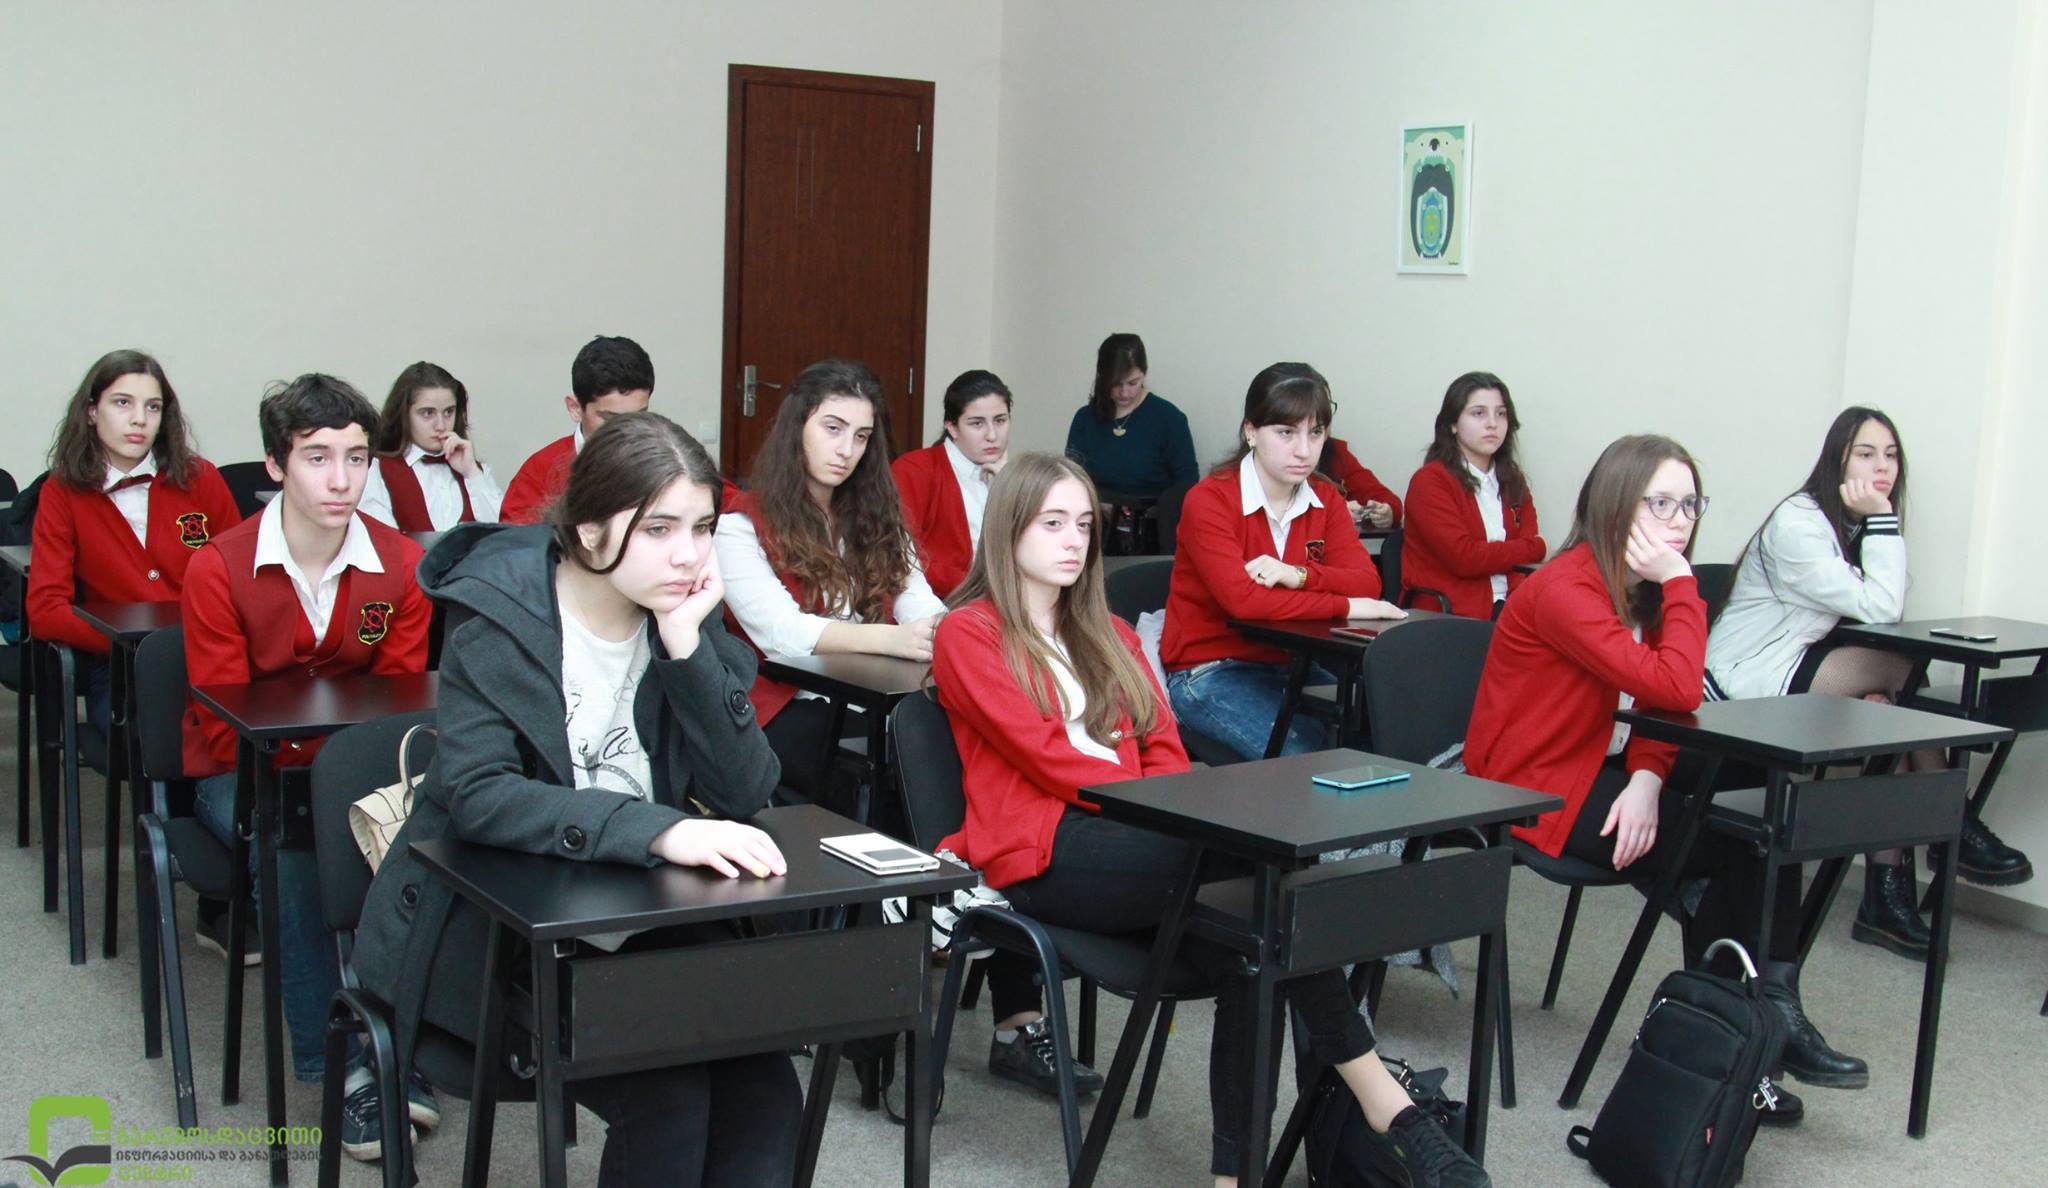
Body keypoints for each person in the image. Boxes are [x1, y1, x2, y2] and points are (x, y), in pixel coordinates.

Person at [934, 451, 1489, 1187]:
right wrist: (1164, 811)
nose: (1075, 541)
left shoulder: (1113, 634)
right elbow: (1047, 759)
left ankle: (1238, 1179)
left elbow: (1163, 746)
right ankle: (1391, 1106)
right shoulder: (969, 633)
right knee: (1256, 874)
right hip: (1044, 853)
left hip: (1144, 841)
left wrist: (1167, 810)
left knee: (1253, 942)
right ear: (1009, 531)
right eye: (1053, 524)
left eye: (1084, 526)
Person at [353, 413, 799, 1187]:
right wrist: (658, 831)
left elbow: (746, 788)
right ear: (590, 532)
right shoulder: (500, 616)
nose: (689, 554)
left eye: (702, 528)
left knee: (766, 1096)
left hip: (645, 916)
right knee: (669, 1099)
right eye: (659, 528)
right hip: (509, 936)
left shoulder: (679, 613)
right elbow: (480, 795)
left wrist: (687, 646)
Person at [1464, 434, 1862, 1115]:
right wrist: (1682, 582)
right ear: (1616, 504)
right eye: (1660, 503)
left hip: (1608, 758)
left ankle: (1762, 1014)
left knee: (1767, 793)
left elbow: (1663, 705)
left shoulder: (1639, 588)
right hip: (1537, 784)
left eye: (1689, 504)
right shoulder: (1567, 589)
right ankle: (1737, 1041)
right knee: (1742, 843)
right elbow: (1677, 685)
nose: (1679, 521)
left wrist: (1648, 778)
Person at [178, 375, 433, 1154]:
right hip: (242, 771)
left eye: (356, 458)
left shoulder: (400, 563)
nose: (341, 479)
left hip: (355, 774)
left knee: (435, 846)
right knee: (295, 850)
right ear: (275, 465)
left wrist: (340, 783)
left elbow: (396, 710)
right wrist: (318, 788)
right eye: (317, 458)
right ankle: (347, 1067)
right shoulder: (218, 567)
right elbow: (225, 720)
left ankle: (407, 1042)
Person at [1706, 406, 2031, 960]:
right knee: (1902, 671)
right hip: (1743, 682)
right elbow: (1882, 608)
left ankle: (1887, 898)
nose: (1882, 467)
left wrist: (1875, 522)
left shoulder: (1852, 522)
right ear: (1837, 461)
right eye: (1865, 454)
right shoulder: (1799, 522)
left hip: (1799, 663)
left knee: (1888, 717)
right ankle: (1952, 821)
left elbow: (1868, 614)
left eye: (1891, 455)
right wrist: (1883, 518)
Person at [716, 359, 945, 811]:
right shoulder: (739, 526)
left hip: (872, 695)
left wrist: (944, 631)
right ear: (797, 427)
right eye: (833, 429)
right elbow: (783, 633)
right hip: (786, 703)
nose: (847, 450)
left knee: (945, 733)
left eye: (861, 436)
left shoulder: (877, 516)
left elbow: (915, 595)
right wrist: (892, 639)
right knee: (901, 758)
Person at [1160, 363, 1403, 762]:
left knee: (1379, 737)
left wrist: (1299, 575)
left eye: (1315, 433)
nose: (1304, 450)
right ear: (1251, 431)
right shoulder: (1209, 500)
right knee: (1311, 761)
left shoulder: (1326, 497)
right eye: (1286, 433)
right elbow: (1244, 602)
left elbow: (1366, 582)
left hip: (1291, 663)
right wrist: (1346, 606)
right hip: (1209, 669)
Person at [28, 349, 240, 734]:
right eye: (122, 403)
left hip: (207, 654)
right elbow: (45, 610)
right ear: (91, 412)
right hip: (121, 665)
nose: (139, 419)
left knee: (230, 728)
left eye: (153, 407)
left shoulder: (201, 478)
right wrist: (125, 641)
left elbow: (241, 581)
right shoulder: (62, 492)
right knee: (153, 732)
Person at [1399, 372, 1543, 617]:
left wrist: (1525, 553)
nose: (1492, 424)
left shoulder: (1513, 481)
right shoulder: (1430, 481)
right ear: (1453, 424)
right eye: (1478, 413)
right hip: (1451, 613)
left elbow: (1526, 562)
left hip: (1510, 607)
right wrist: (1538, 547)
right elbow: (1465, 558)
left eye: (1501, 414)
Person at [1062, 333, 1199, 551]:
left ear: (1144, 374)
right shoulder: (1086, 419)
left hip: (1151, 533)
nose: (1125, 392)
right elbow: (1072, 476)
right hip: (1094, 529)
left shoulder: (1169, 419)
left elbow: (1187, 481)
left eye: (1133, 383)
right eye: (1116, 384)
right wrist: (1097, 504)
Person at [501, 335, 654, 524]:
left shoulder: (666, 463)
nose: (627, 431)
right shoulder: (538, 474)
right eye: (610, 419)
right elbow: (517, 540)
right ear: (575, 408)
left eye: (639, 416)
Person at [892, 368, 1012, 598]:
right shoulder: (915, 469)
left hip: (996, 601)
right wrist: (982, 590)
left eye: (1000, 421)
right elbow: (902, 557)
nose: (992, 435)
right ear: (952, 428)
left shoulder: (1009, 475)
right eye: (977, 424)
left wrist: (1010, 486)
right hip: (936, 603)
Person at [358, 361, 502, 532]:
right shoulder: (377, 470)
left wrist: (471, 473)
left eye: (448, 412)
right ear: (403, 415)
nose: (441, 425)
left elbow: (503, 534)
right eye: (428, 413)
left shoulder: (477, 471)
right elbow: (382, 541)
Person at [1319, 434, 1402, 530]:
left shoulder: (1334, 453)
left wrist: (1387, 512)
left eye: (1317, 431)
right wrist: (1334, 512)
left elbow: (1378, 494)